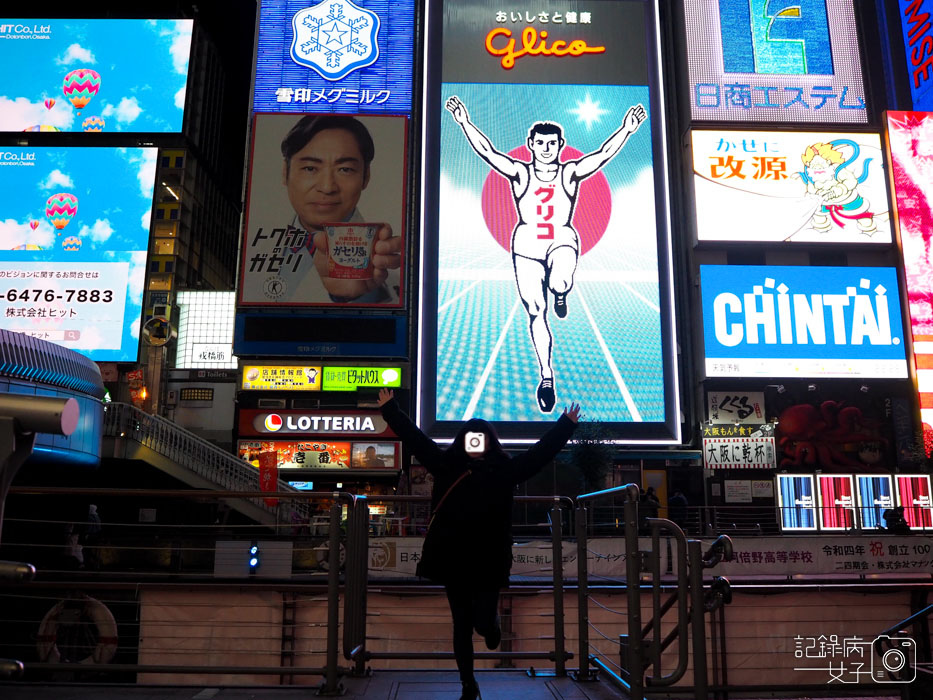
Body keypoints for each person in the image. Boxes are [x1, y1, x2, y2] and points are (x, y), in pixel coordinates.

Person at [377, 387, 580, 700]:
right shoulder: (445, 465)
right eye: (471, 437)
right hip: (453, 557)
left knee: (483, 621)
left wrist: (565, 424)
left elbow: (539, 455)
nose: (475, 443)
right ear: (462, 440)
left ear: (488, 442)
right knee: (461, 624)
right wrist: (390, 409)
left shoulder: (505, 471)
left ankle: (491, 627)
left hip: (489, 558)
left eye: (480, 438)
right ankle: (468, 685)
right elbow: (415, 439)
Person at [446, 95, 646, 412]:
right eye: (541, 143)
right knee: (537, 312)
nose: (547, 148)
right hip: (526, 244)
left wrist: (627, 129)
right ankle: (547, 375)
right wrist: (464, 122)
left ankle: (561, 290)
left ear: (560, 145)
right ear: (531, 144)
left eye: (552, 143)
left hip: (561, 237)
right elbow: (488, 152)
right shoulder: (520, 173)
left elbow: (603, 155)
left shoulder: (569, 173)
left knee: (561, 280)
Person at [280, 114, 402, 303]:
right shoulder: (256, 244)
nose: (328, 187)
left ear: (366, 176)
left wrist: (355, 296)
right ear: (285, 173)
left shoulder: (388, 258)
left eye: (344, 169)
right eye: (310, 168)